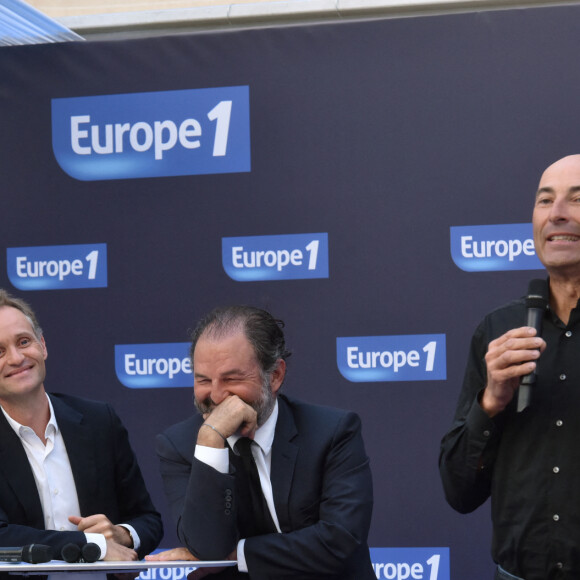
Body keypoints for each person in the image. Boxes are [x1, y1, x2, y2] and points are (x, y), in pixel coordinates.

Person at [146, 305, 374, 579]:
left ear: (275, 375)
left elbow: (340, 540)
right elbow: (207, 546)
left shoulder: (332, 431)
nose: (216, 396)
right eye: (203, 380)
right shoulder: (179, 444)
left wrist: (237, 554)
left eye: (232, 378)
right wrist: (210, 440)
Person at [439, 154, 580, 580]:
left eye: (577, 199)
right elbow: (459, 491)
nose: (557, 214)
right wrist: (491, 401)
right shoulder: (499, 331)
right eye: (544, 201)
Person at [0, 289, 163, 569]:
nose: (16, 358)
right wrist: (93, 546)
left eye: (23, 341)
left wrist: (120, 535)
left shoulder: (100, 421)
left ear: (43, 345)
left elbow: (147, 520)